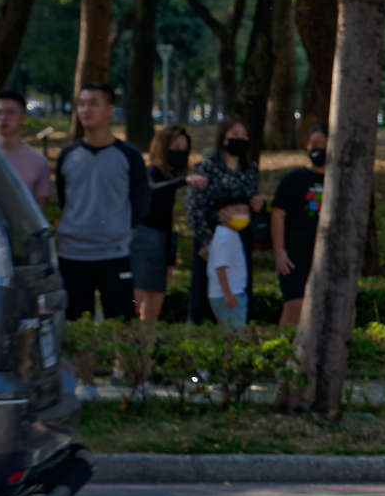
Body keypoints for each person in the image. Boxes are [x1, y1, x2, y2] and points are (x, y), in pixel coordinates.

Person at [55, 83, 150, 321]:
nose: (86, 110)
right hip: (72, 254)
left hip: (115, 253)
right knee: (75, 325)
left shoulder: (129, 156)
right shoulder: (68, 155)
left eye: (93, 103)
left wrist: (119, 229)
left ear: (110, 109)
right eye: (81, 104)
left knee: (122, 324)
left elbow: (140, 203)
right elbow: (64, 198)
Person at [186, 119, 263, 324]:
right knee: (205, 296)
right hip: (212, 238)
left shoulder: (250, 169)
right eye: (234, 134)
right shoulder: (206, 167)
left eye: (244, 135)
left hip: (239, 239)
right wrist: (206, 241)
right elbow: (194, 208)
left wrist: (257, 205)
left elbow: (250, 200)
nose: (239, 139)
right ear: (223, 138)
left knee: (238, 293)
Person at [132, 125, 207, 323]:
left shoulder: (170, 177)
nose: (180, 152)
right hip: (142, 239)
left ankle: (146, 351)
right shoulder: (152, 171)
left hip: (161, 241)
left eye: (184, 147)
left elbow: (167, 218)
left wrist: (170, 258)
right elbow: (152, 189)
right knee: (135, 301)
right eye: (175, 146)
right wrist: (183, 180)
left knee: (155, 305)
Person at [271, 125, 329, 327]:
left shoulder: (339, 181)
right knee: (294, 305)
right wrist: (279, 251)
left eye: (323, 144)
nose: (318, 149)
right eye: (314, 144)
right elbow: (278, 214)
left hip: (327, 257)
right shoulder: (293, 180)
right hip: (295, 256)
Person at [0, 90, 52, 209]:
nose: (3, 118)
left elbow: (40, 210)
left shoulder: (38, 161)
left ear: (23, 117)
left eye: (10, 112)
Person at [207, 197, 251, 328]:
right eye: (237, 210)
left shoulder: (230, 234)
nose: (242, 215)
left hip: (233, 293)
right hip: (229, 295)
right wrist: (228, 294)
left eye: (245, 211)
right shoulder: (224, 236)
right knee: (235, 335)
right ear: (222, 214)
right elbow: (220, 268)